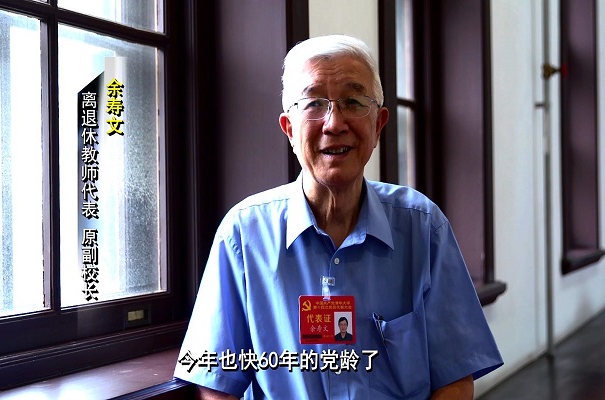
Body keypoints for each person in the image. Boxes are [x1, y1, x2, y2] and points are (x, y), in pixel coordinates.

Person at [174, 34, 503, 399]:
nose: (334, 123)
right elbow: (215, 385)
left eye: (353, 102)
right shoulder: (242, 234)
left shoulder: (423, 226)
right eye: (314, 103)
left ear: (378, 125)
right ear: (289, 129)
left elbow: (455, 377)